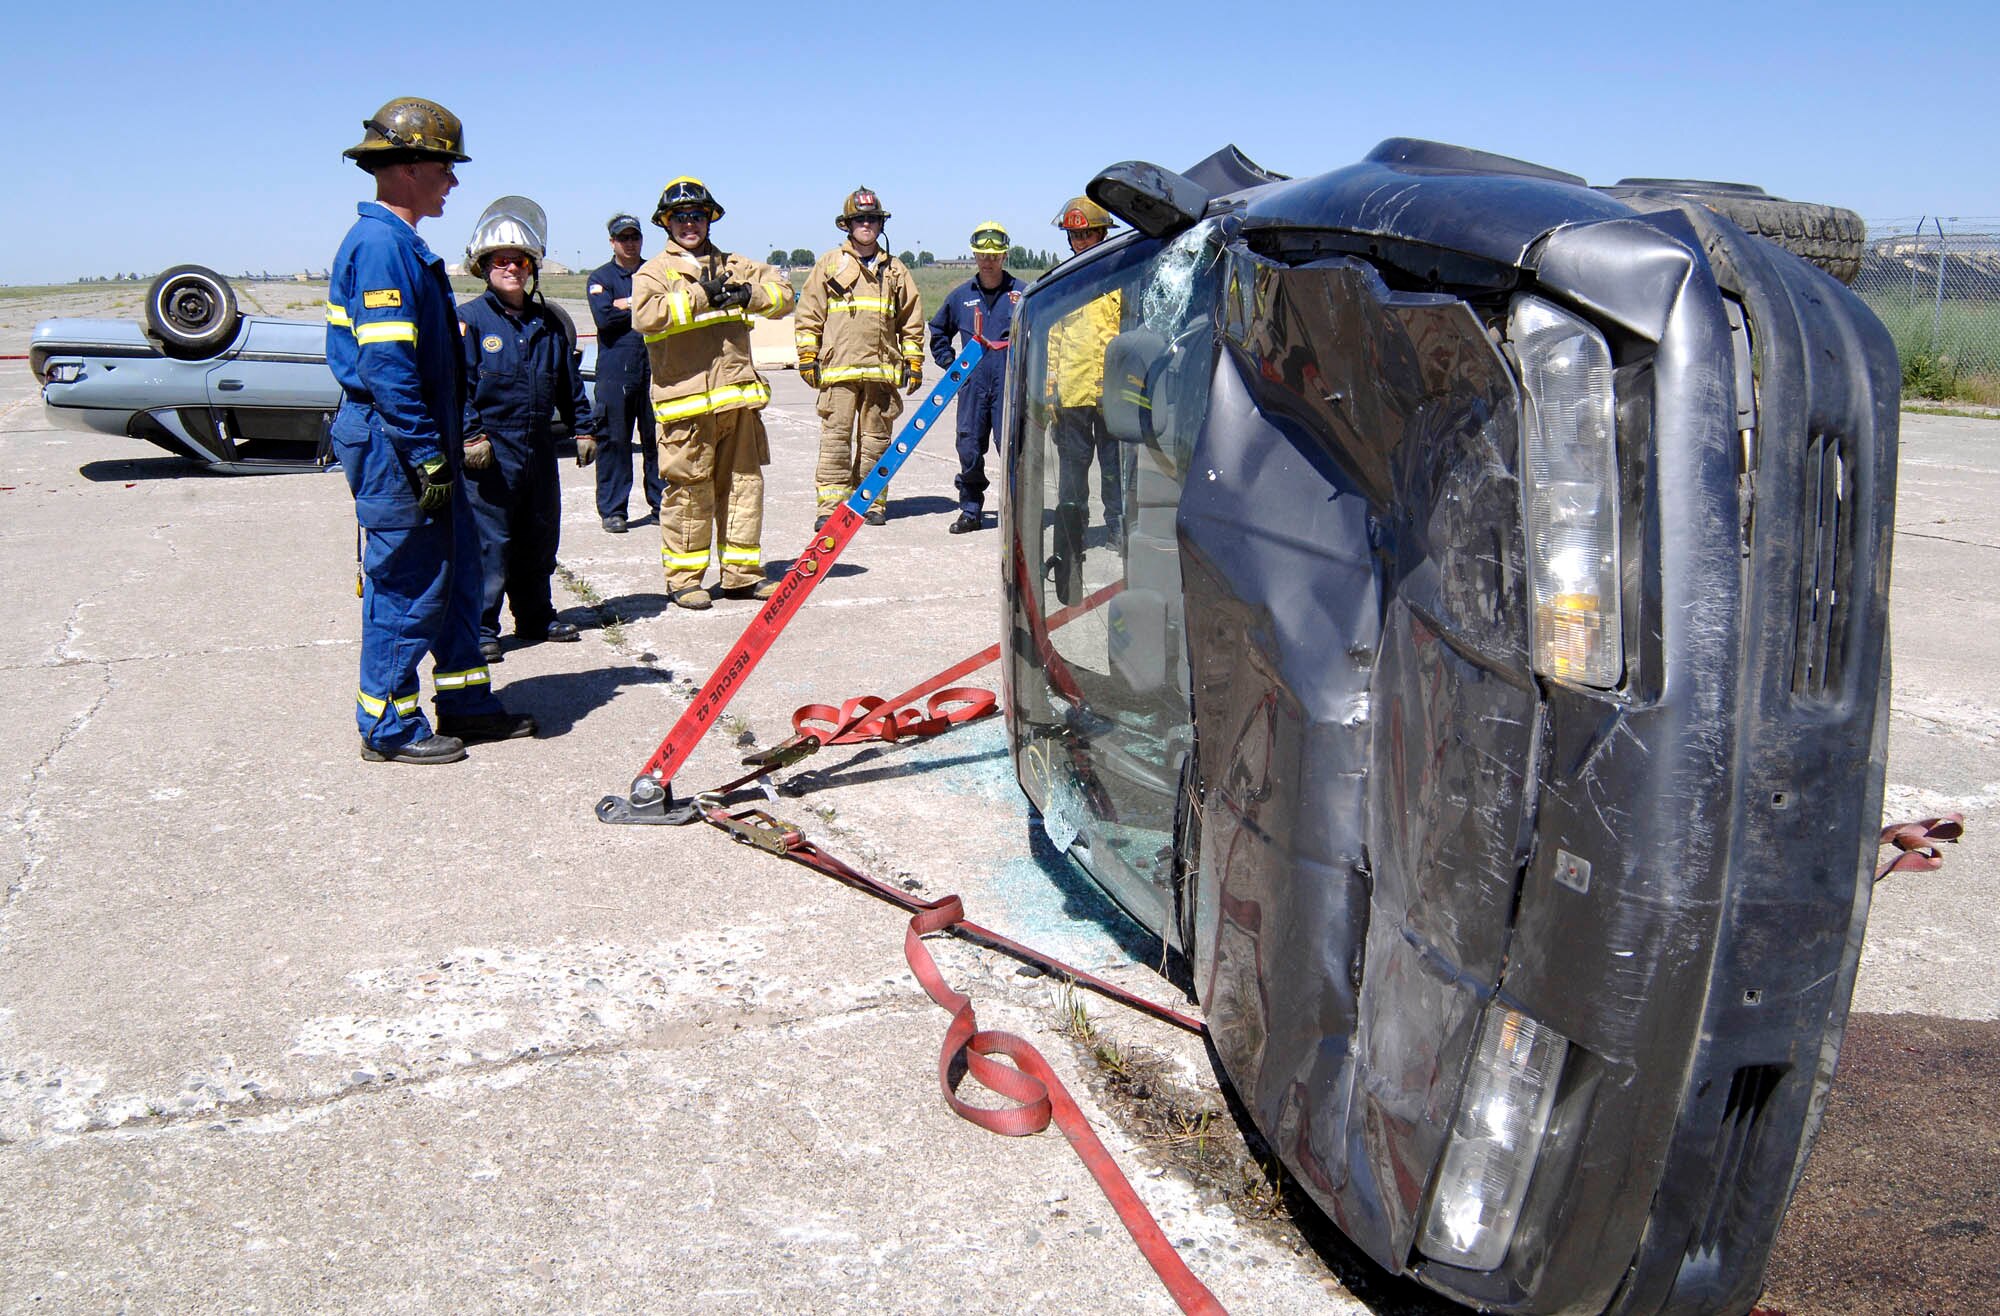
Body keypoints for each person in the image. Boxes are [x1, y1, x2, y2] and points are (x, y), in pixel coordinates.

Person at [325, 97, 535, 764]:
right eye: (445, 168)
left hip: (423, 445)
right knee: (408, 586)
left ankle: (467, 703)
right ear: (410, 167)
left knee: (455, 580)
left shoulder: (403, 246)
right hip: (399, 451)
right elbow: (385, 367)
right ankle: (386, 727)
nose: (453, 181)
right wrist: (425, 456)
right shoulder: (382, 247)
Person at [630, 177, 795, 610]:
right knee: (689, 493)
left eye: (698, 216)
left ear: (710, 219)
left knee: (744, 488)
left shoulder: (735, 264)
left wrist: (749, 293)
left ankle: (742, 575)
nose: (690, 224)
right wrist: (701, 295)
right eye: (681, 217)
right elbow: (646, 316)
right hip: (686, 409)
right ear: (666, 223)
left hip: (737, 401)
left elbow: (785, 296)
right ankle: (684, 579)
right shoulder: (655, 272)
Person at [457, 195, 594, 663]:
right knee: (491, 541)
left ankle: (535, 615)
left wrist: (583, 427)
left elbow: (567, 382)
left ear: (531, 267)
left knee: (539, 533)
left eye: (518, 260)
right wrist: (471, 435)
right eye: (500, 261)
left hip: (538, 444)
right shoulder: (471, 321)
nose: (510, 268)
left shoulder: (547, 323)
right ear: (484, 266)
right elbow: (459, 387)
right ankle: (480, 628)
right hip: (491, 448)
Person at [794, 188, 925, 530]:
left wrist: (913, 361)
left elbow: (912, 321)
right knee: (835, 441)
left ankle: (871, 501)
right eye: (859, 219)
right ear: (847, 225)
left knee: (876, 441)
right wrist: (808, 356)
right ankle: (831, 507)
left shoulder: (895, 271)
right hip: (838, 372)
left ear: (881, 224)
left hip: (881, 373)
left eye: (872, 219)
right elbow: (808, 314)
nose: (866, 224)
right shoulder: (829, 265)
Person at [1044, 194, 1124, 605]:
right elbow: (1052, 338)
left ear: (1101, 234)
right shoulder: (1063, 282)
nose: (1081, 242)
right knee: (1073, 472)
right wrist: (1048, 391)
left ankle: (1117, 529)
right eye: (1075, 236)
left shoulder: (1121, 279)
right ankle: (1075, 533)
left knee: (1115, 467)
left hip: (1112, 394)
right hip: (1072, 394)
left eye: (1088, 234)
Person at [927, 221, 1021, 534]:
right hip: (973, 387)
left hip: (1009, 388)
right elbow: (939, 330)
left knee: (1012, 450)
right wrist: (950, 365)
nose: (988, 260)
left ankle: (1017, 514)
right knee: (968, 448)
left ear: (1004, 255)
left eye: (994, 255)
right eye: (982, 254)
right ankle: (970, 509)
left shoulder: (1022, 294)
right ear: (975, 255)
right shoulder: (960, 297)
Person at [586, 213, 662, 534]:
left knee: (657, 441)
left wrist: (625, 303)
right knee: (614, 442)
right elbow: (605, 319)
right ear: (612, 242)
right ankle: (614, 510)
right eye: (623, 238)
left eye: (635, 237)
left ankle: (661, 504)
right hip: (616, 373)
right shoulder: (599, 277)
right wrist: (641, 304)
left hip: (655, 369)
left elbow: (666, 309)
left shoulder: (656, 273)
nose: (630, 243)